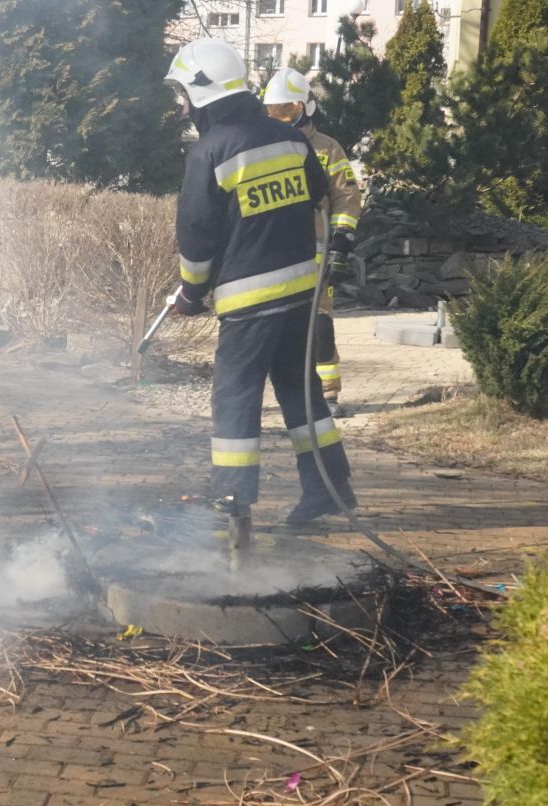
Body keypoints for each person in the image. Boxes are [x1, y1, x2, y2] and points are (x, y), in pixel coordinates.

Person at [164, 39, 357, 530]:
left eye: (183, 95)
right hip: (301, 292)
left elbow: (196, 237)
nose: (183, 107)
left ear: (202, 93)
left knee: (235, 395)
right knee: (301, 392)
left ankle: (231, 500)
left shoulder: (208, 152)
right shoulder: (290, 139)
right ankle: (328, 488)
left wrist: (190, 293)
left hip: (249, 301)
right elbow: (316, 192)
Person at [263, 68, 362, 418]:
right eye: (274, 111)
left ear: (306, 107)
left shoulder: (327, 148)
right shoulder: (264, 147)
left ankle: (328, 394)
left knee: (319, 325)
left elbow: (347, 197)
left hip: (316, 253)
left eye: (287, 110)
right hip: (272, 252)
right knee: (269, 326)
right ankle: (278, 395)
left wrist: (341, 241)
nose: (281, 118)